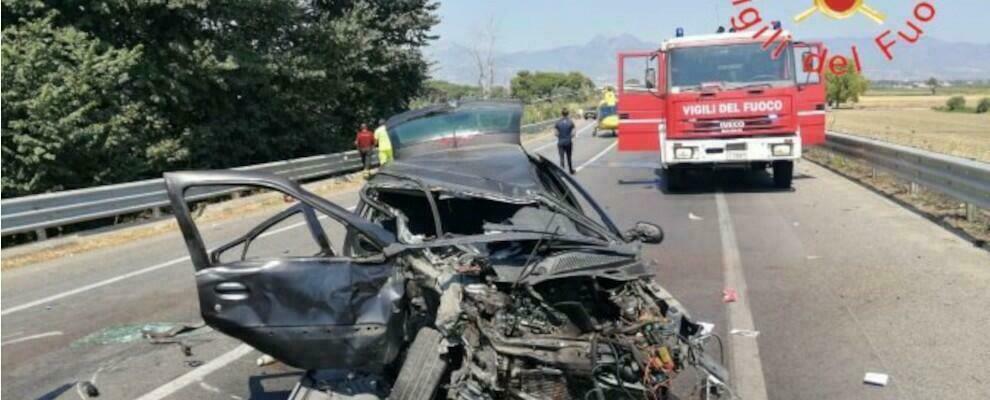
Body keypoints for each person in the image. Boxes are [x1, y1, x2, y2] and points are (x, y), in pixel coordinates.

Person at [554, 108, 576, 174]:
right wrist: (568, 137)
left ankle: (562, 172)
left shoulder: (558, 122)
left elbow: (556, 133)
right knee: (569, 157)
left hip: (560, 142)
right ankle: (571, 170)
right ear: (568, 114)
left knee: (561, 157)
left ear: (561, 114)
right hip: (568, 142)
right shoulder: (571, 122)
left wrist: (561, 136)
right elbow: (573, 133)